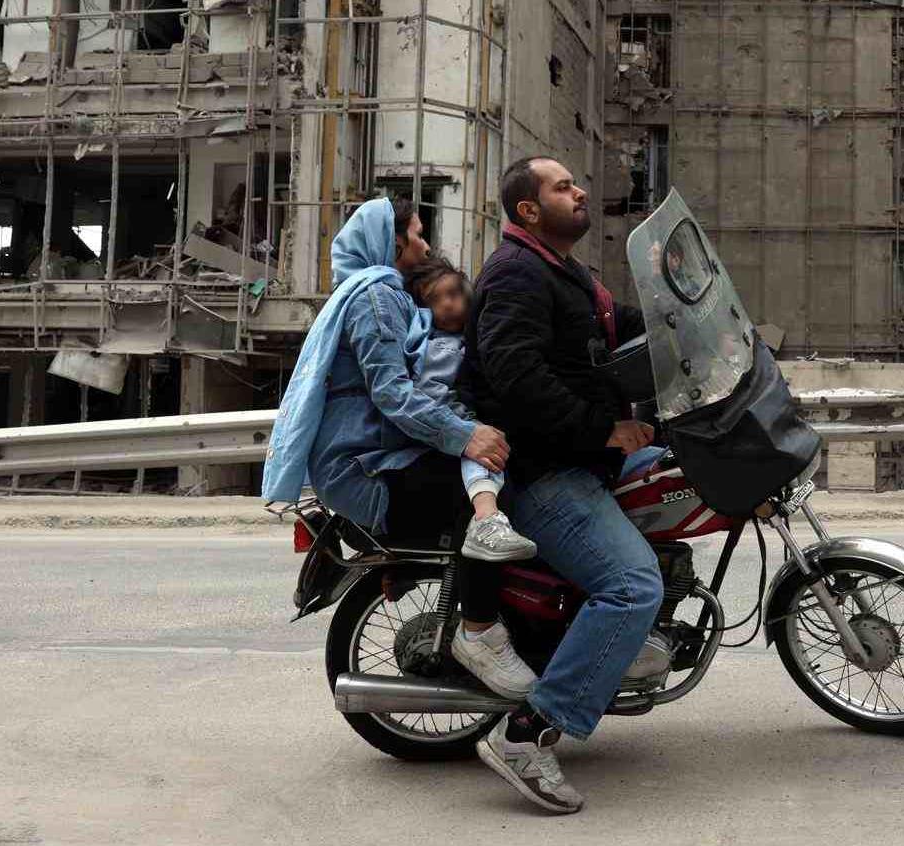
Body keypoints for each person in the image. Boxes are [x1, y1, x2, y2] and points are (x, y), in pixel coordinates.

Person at [258, 197, 540, 698]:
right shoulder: (376, 295)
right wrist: (466, 434)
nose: (426, 244)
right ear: (392, 241)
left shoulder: (383, 294)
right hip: (365, 466)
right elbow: (393, 392)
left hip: (374, 453)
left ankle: (411, 571)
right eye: (417, 232)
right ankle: (480, 633)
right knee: (487, 489)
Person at [458, 156, 664, 814]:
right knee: (632, 585)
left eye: (576, 182)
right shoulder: (517, 273)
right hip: (543, 469)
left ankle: (615, 648)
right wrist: (598, 431)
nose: (579, 191)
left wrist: (701, 328)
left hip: (574, 456)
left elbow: (616, 328)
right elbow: (514, 374)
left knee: (668, 475)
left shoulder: (564, 273)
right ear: (527, 209)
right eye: (562, 186)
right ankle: (528, 733)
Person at [401, 255, 537, 563]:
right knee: (482, 453)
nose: (448, 304)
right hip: (447, 422)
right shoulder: (437, 345)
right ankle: (486, 518)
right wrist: (464, 426)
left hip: (460, 417)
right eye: (435, 299)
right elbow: (431, 393)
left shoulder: (471, 337)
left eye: (453, 293)